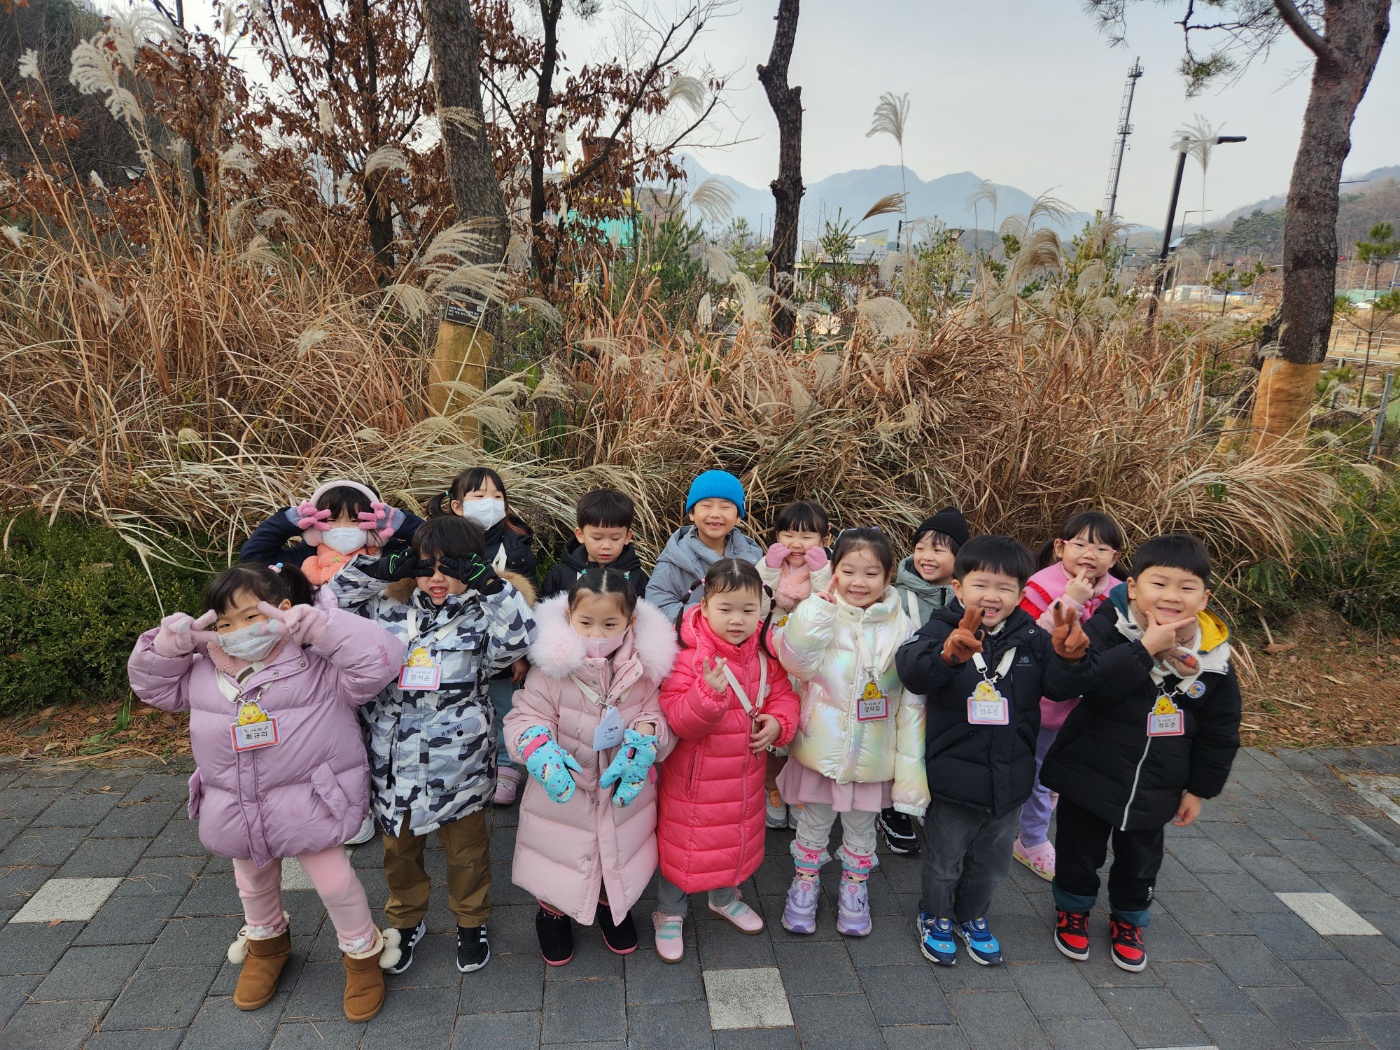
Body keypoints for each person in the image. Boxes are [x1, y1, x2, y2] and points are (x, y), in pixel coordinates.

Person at [127, 563, 404, 1022]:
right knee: (252, 882)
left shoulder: (317, 662)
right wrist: (166, 647)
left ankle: (362, 955)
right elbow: (152, 687)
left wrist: (321, 628)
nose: (238, 631)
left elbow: (382, 659)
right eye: (224, 622)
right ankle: (266, 946)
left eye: (250, 616)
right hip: (236, 801)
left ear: (281, 610)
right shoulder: (200, 669)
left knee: (335, 882)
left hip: (310, 799)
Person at [327, 516, 536, 976]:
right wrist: (376, 569)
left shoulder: (484, 611)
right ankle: (406, 919)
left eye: (451, 568)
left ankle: (471, 920)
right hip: (393, 750)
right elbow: (329, 607)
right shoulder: (388, 608)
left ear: (474, 566)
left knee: (467, 849)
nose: (437, 579)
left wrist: (493, 588)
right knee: (398, 848)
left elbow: (520, 641)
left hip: (458, 754)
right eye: (426, 567)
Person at [1042, 534, 1240, 973]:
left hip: (1158, 782)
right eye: (1159, 583)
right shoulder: (1108, 626)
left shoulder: (1214, 659)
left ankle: (1129, 919)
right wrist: (1145, 648)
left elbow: (1220, 730)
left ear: (1204, 598)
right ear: (1132, 587)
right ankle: (1072, 908)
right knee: (1078, 850)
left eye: (1186, 588)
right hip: (1089, 769)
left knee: (1140, 859)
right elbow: (1090, 686)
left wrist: (1199, 789)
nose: (1171, 596)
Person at [896, 535, 1093, 968]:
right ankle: (934, 916)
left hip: (1012, 780)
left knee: (992, 863)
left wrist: (1072, 660)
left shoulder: (1032, 637)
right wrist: (947, 657)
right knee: (945, 860)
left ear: (1021, 595)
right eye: (981, 584)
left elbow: (1062, 687)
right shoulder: (941, 627)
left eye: (1005, 587)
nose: (992, 595)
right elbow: (911, 670)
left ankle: (971, 917)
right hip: (953, 777)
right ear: (959, 588)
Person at [505, 569, 677, 965]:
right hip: (565, 786)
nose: (596, 634)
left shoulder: (644, 670)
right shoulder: (550, 668)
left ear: (630, 622)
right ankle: (551, 911)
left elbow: (656, 715)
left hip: (621, 789)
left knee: (615, 852)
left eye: (609, 624)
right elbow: (525, 716)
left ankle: (609, 904)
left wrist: (647, 738)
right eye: (586, 623)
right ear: (569, 618)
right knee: (559, 852)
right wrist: (536, 745)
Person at [775, 528, 930, 938]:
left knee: (862, 829)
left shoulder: (904, 626)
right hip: (819, 750)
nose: (859, 582)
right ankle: (804, 885)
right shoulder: (818, 612)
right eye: (849, 571)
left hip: (874, 757)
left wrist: (911, 778)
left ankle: (854, 889)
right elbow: (794, 663)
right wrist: (814, 614)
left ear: (888, 575)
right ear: (833, 571)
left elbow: (912, 705)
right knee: (813, 823)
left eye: (871, 573)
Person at [653, 559, 800, 962]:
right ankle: (670, 911)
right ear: (704, 605)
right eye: (726, 609)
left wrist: (779, 724)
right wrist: (708, 695)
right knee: (682, 849)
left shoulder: (764, 659)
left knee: (734, 841)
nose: (737, 620)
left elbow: (783, 696)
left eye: (748, 610)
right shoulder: (686, 657)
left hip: (743, 777)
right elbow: (679, 719)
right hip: (693, 782)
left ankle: (724, 896)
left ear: (762, 611)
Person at [1013, 510, 1125, 881]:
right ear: (1060, 548)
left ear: (1116, 557)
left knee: (1058, 773)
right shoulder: (1038, 587)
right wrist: (1071, 600)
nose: (1089, 553)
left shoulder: (1121, 594)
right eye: (1079, 544)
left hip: (1090, 706)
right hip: (1047, 705)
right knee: (1039, 775)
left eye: (1101, 547)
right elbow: (1030, 643)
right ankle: (1031, 840)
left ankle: (1039, 818)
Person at [427, 467, 539, 806]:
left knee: (505, 706)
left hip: (502, 646)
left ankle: (507, 767)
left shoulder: (517, 547)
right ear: (458, 505)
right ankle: (467, 764)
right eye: (478, 496)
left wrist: (522, 655)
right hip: (454, 647)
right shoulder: (442, 541)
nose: (489, 503)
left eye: (497, 497)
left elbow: (530, 605)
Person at [884, 505, 970, 855]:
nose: (926, 556)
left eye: (938, 549)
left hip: (948, 689)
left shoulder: (969, 596)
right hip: (901, 686)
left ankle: (924, 802)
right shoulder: (896, 594)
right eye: (920, 546)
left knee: (933, 746)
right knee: (899, 748)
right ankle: (892, 810)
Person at [756, 500, 832, 830]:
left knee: (804, 728)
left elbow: (830, 606)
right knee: (774, 729)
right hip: (771, 658)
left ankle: (799, 793)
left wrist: (820, 572)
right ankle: (772, 788)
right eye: (788, 534)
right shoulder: (769, 566)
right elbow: (757, 607)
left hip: (809, 666)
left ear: (825, 540)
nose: (797, 544)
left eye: (807, 536)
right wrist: (770, 569)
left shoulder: (828, 570)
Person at [239, 479, 419, 580]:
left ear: (378, 522)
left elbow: (437, 547)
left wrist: (402, 523)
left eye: (355, 520)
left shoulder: (393, 556)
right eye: (332, 519)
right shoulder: (305, 558)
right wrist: (288, 520)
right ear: (314, 524)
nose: (341, 529)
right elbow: (253, 559)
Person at [648, 470, 763, 622]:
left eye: (725, 507)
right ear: (692, 514)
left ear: (738, 517)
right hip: (692, 641)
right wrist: (704, 616)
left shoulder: (753, 556)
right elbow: (657, 605)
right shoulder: (675, 558)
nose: (715, 513)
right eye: (706, 505)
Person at [538, 489, 650, 600]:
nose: (606, 546)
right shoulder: (562, 575)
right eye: (597, 538)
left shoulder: (637, 577)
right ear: (580, 535)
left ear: (627, 537)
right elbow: (543, 611)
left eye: (615, 538)